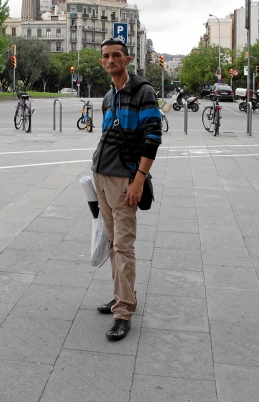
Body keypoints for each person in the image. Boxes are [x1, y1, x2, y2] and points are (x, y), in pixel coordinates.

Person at [91, 36, 162, 341]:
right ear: (101, 61)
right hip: (101, 176)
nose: (111, 60)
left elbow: (153, 137)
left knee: (123, 245)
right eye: (106, 56)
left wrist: (139, 179)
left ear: (127, 59)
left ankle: (124, 312)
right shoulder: (109, 96)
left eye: (116, 55)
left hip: (125, 180)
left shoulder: (143, 91)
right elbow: (108, 136)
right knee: (111, 242)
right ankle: (122, 295)